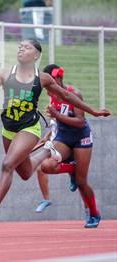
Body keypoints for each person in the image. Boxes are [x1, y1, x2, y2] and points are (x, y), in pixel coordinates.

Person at [0, 39, 110, 227]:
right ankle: (47, 150)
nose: (21, 48)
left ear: (36, 55)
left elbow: (67, 96)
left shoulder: (42, 78)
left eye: (27, 47)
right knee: (25, 172)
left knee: (7, 165)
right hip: (8, 129)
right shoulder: (5, 73)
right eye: (20, 46)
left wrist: (93, 111)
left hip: (29, 128)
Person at [40, 64, 101, 228]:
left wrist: (57, 115)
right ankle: (71, 169)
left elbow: (80, 122)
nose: (46, 87)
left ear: (58, 79)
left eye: (48, 82)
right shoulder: (51, 94)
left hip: (81, 138)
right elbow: (56, 119)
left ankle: (94, 213)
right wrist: (48, 134)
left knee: (82, 182)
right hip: (64, 137)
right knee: (46, 166)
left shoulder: (74, 94)